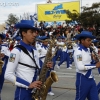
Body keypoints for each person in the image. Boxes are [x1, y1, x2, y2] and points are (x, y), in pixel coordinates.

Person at [4, 20, 53, 100]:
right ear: (23, 33)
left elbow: (37, 71)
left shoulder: (34, 50)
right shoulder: (16, 51)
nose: (34, 35)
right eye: (31, 32)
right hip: (23, 92)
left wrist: (46, 67)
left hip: (35, 91)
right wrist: (28, 84)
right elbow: (8, 74)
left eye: (35, 32)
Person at [74, 31, 100, 100]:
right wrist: (95, 65)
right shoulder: (78, 51)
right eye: (88, 40)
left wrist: (95, 61)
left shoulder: (88, 50)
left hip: (91, 79)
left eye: (91, 40)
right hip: (82, 79)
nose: (90, 42)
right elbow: (80, 67)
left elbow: (89, 62)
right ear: (82, 41)